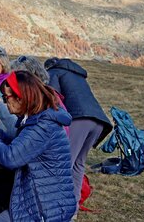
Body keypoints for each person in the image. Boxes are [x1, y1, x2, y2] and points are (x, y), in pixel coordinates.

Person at [0, 71, 76, 221]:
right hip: (40, 201)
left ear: (21, 97)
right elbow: (20, 146)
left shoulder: (42, 126)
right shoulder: (36, 119)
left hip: (46, 210)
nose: (5, 102)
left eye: (7, 97)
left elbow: (11, 157)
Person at [45, 57, 113, 213]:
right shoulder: (76, 74)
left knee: (65, 163)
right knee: (79, 164)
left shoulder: (54, 72)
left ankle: (58, 207)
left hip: (79, 118)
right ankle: (73, 207)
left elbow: (52, 97)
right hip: (98, 122)